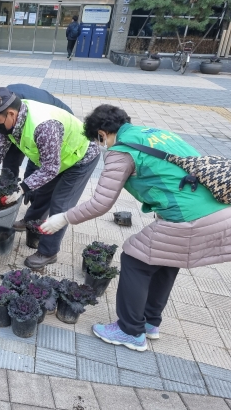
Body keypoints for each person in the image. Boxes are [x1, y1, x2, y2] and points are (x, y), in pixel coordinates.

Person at [40, 105, 231, 351]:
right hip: (219, 210)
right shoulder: (155, 133)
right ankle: (150, 323)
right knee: (166, 257)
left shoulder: (122, 151)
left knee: (134, 257)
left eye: (100, 141)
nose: (102, 146)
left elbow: (100, 203)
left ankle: (130, 330)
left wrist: (64, 217)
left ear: (102, 134)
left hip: (192, 218)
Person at [0, 87, 99, 269]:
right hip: (56, 157)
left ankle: (48, 252)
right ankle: (31, 222)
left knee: (60, 205)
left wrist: (22, 188)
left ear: (10, 114)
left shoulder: (43, 126)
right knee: (43, 191)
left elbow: (50, 168)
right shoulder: (9, 123)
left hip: (80, 157)